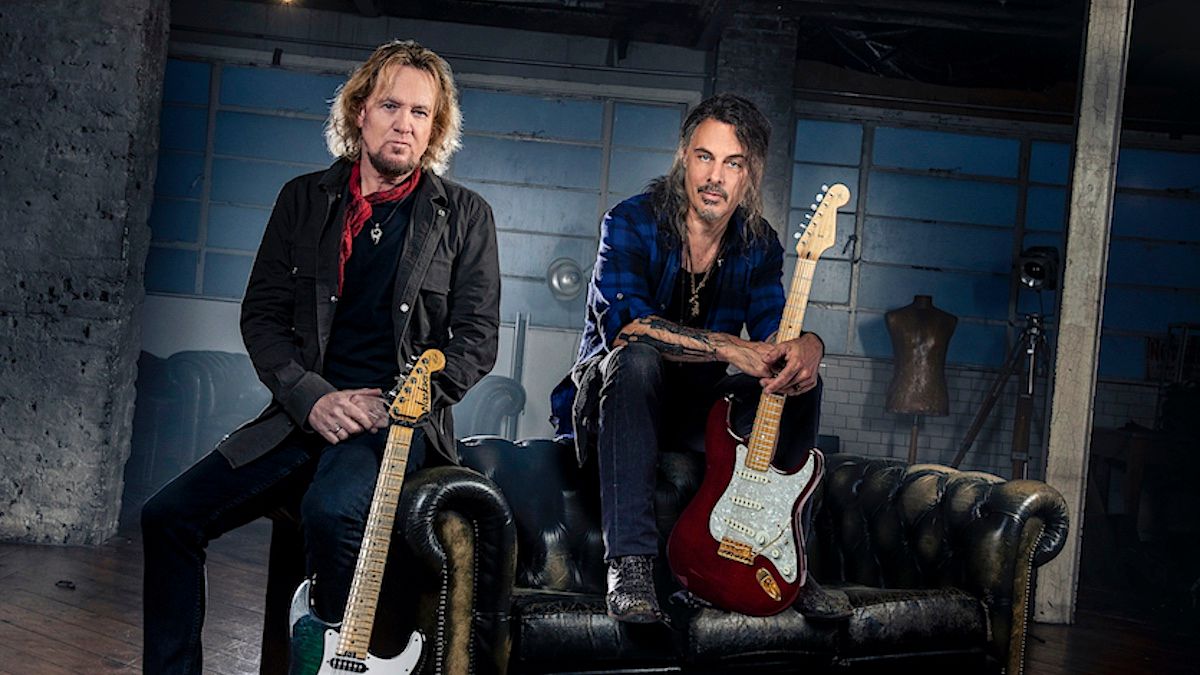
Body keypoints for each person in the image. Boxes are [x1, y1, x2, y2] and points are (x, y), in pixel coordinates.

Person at [141, 40, 500, 673]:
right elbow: (262, 316)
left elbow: (476, 338)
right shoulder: (303, 200)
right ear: (360, 111)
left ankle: (331, 663)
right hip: (302, 417)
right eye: (391, 106)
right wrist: (313, 399)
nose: (405, 124)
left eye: (421, 113)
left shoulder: (466, 216)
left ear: (435, 128)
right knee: (167, 517)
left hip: (395, 427)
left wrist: (397, 405)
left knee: (330, 510)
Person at [550, 93, 848, 624]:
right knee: (638, 360)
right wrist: (730, 347)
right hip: (616, 404)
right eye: (705, 157)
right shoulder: (630, 221)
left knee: (799, 381)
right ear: (683, 157)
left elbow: (774, 334)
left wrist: (808, 349)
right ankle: (630, 565)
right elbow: (627, 327)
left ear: (750, 174)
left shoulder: (758, 243)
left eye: (733, 163)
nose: (715, 176)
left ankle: (788, 558)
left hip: (696, 410)